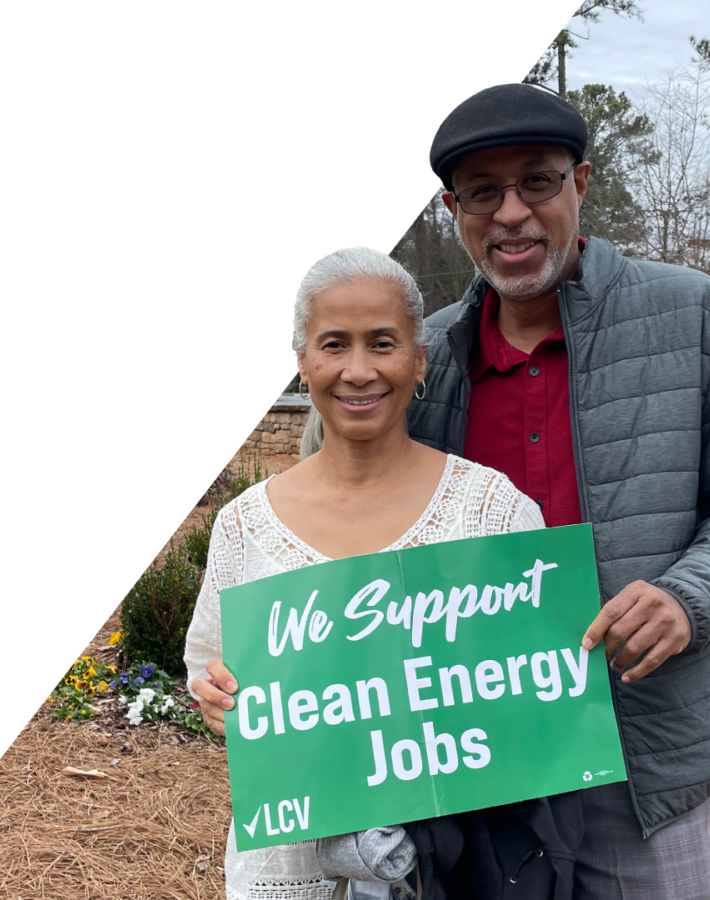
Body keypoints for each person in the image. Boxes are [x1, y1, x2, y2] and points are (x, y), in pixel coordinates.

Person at [296, 83, 710, 900]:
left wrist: (688, 597)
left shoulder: (694, 317)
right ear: (453, 208)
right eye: (484, 192)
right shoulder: (420, 355)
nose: (511, 213)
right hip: (468, 754)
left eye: (536, 181)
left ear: (579, 183)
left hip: (639, 750)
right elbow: (327, 513)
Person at [183, 246, 555, 900]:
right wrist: (217, 699)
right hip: (285, 874)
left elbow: (542, 699)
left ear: (420, 360)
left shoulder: (493, 513)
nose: (358, 371)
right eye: (334, 345)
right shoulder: (245, 526)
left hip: (452, 874)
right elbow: (210, 668)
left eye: (382, 343)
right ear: (303, 362)